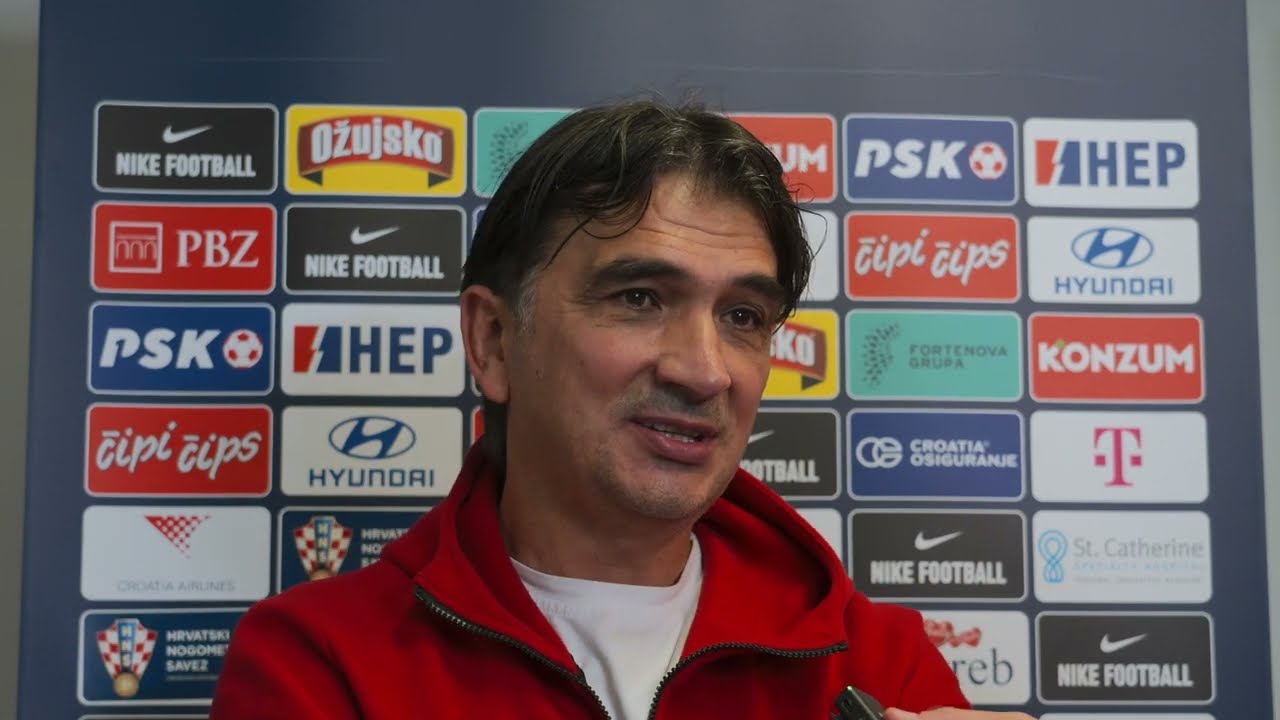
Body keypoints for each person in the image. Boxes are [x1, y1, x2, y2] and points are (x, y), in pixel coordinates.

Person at [210, 99, 1036, 720]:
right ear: (494, 340)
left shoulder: (875, 662)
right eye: (640, 297)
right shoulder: (316, 666)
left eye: (743, 317)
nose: (703, 369)